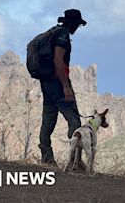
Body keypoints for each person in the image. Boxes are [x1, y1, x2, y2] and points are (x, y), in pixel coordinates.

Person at [38, 9, 87, 168]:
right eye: (77, 25)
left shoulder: (53, 32)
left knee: (48, 121)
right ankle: (75, 161)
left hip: (46, 83)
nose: (77, 28)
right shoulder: (62, 36)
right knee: (74, 121)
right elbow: (58, 60)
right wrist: (66, 86)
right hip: (58, 83)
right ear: (72, 24)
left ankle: (47, 159)